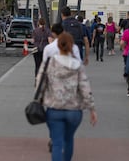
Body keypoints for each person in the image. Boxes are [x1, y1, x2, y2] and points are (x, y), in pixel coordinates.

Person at [36, 32, 97, 161]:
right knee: (68, 140)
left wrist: (40, 100)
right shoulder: (77, 65)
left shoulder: (49, 63)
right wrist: (91, 108)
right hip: (74, 111)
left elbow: (40, 83)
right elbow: (85, 88)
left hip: (54, 108)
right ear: (71, 46)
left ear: (58, 45)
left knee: (57, 143)